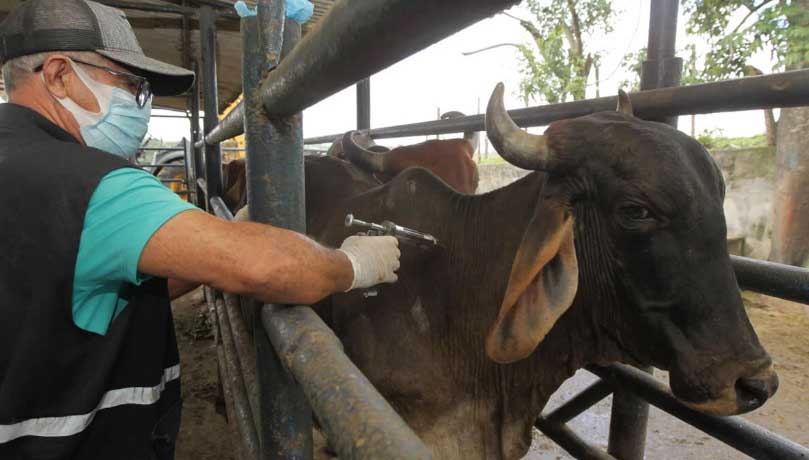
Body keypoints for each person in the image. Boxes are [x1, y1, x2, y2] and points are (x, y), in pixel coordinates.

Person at [0, 1, 400, 459]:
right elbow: (266, 267)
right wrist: (352, 264)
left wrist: (215, 244)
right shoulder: (91, 185)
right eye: (131, 85)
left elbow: (73, 293)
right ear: (59, 75)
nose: (138, 103)